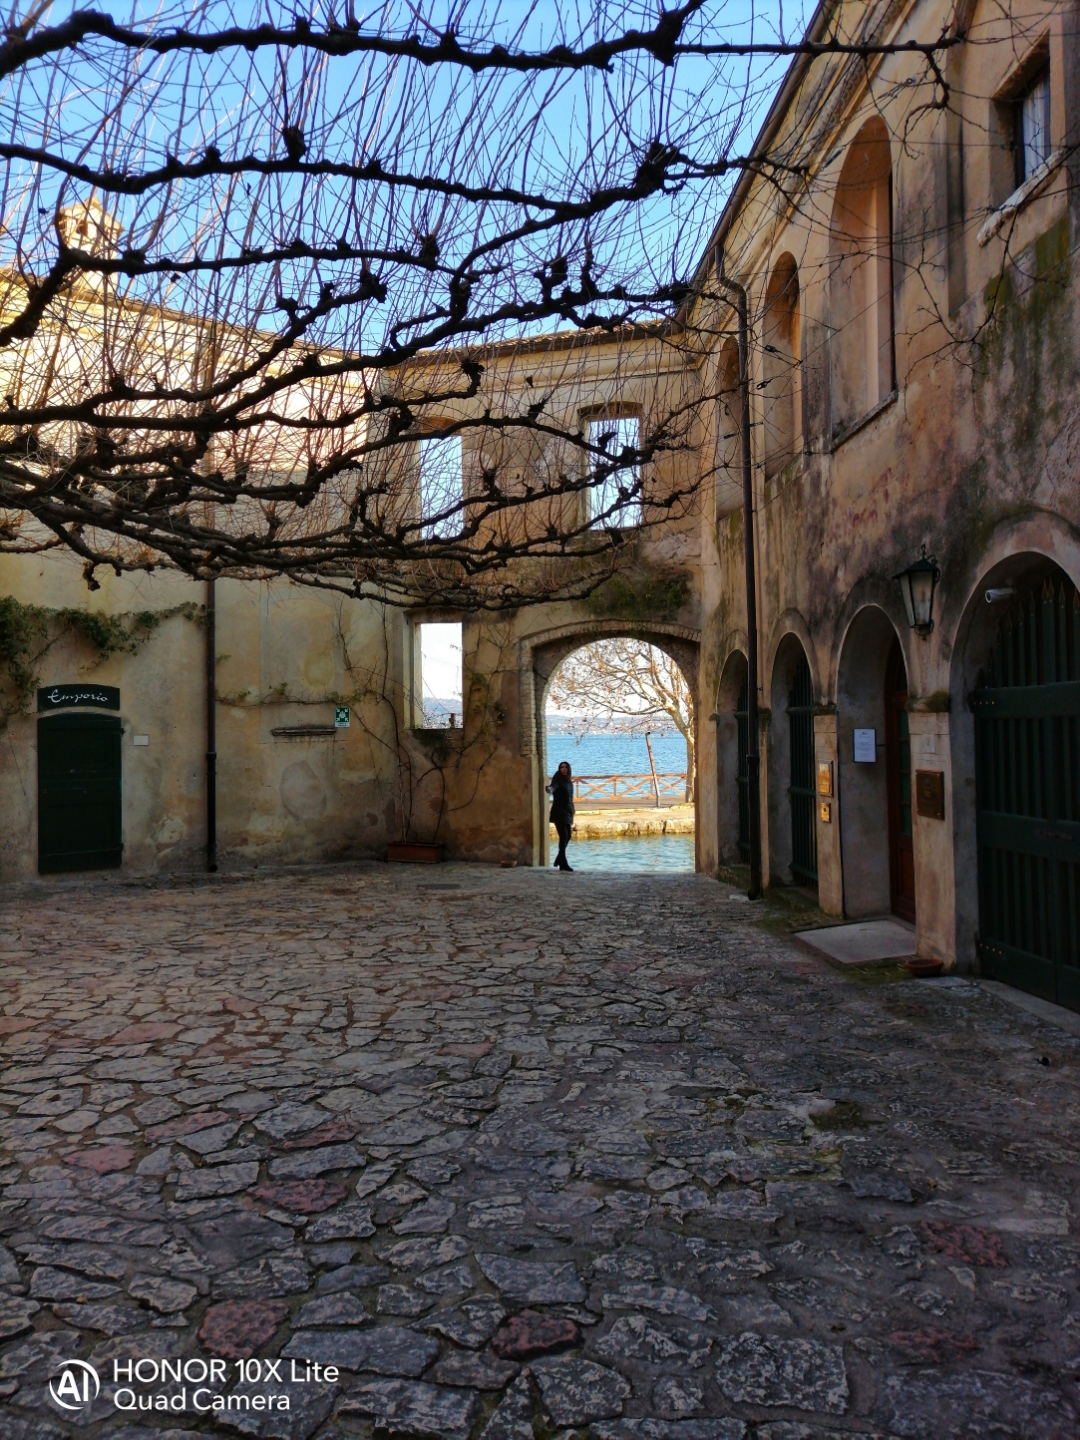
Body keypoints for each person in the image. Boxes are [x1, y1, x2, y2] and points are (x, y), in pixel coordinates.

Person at [547, 760, 575, 872]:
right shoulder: (557, 780)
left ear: (568, 769)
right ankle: (563, 863)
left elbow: (570, 798)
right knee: (563, 837)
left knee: (568, 836)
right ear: (559, 769)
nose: (564, 769)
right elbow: (552, 787)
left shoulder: (569, 782)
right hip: (559, 812)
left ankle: (559, 859)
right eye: (562, 767)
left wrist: (573, 809)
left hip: (568, 811)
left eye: (565, 767)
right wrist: (549, 789)